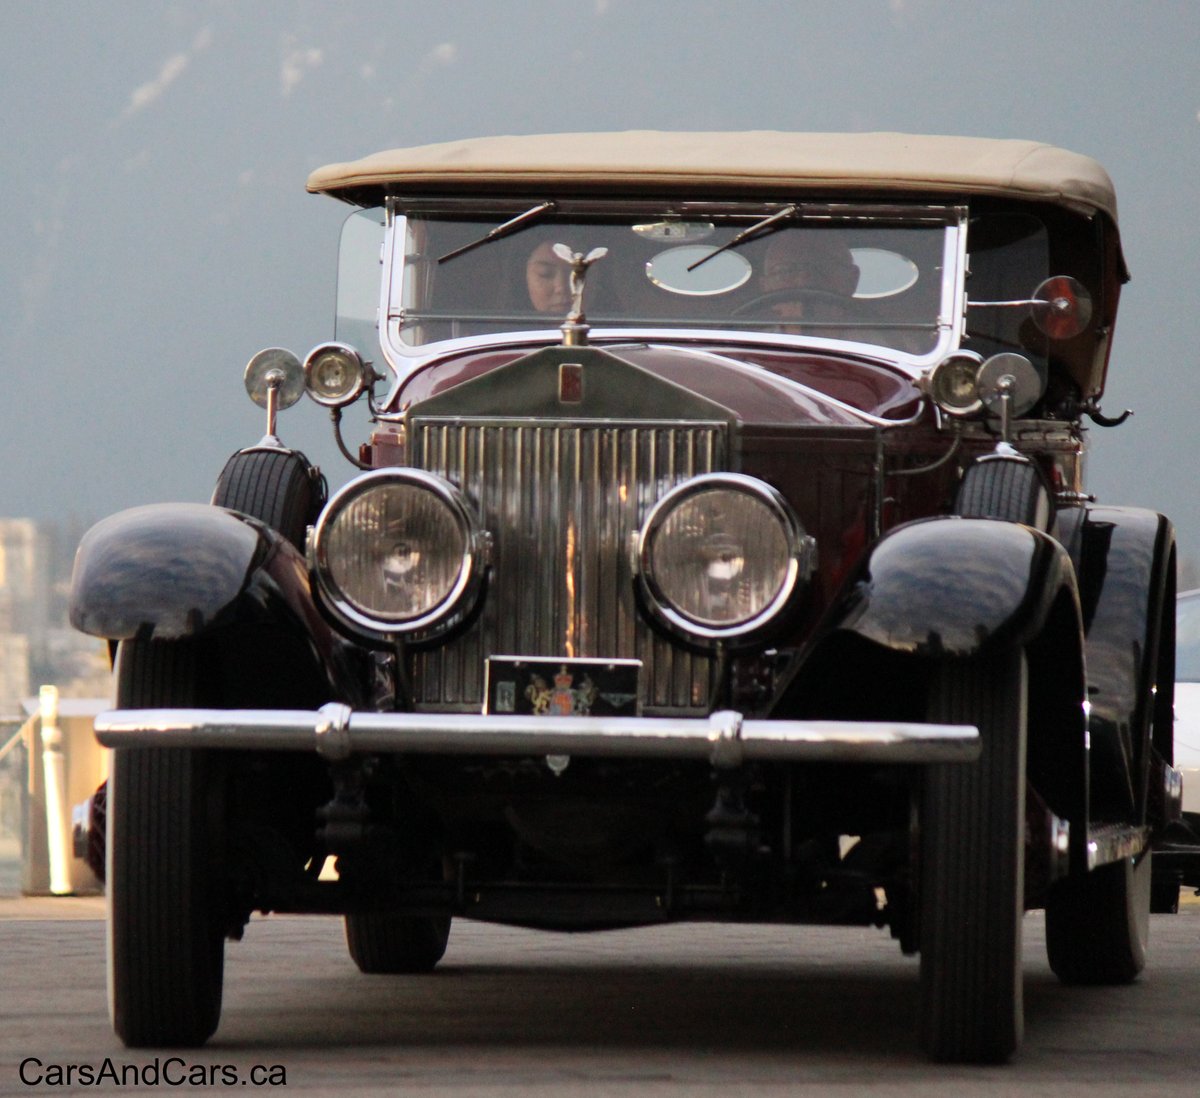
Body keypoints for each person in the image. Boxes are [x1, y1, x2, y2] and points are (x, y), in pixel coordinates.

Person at [757, 230, 860, 331]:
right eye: (785, 271)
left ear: (851, 279)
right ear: (766, 287)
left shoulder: (872, 345)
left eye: (823, 267)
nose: (804, 281)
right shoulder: (750, 344)